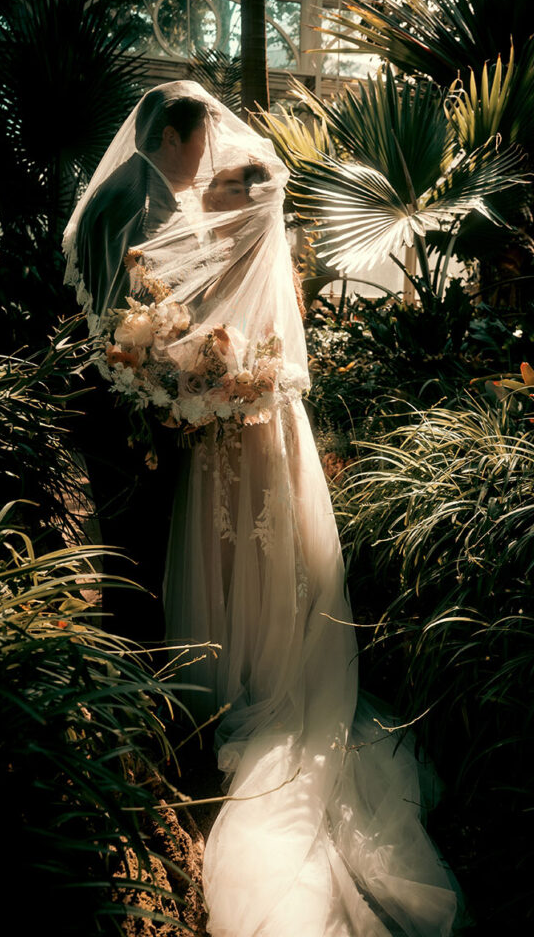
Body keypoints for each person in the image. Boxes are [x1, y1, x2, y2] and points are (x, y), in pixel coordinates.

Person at [70, 81, 460, 935]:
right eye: (196, 152)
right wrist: (179, 373)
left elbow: (177, 313)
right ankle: (250, 669)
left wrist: (179, 376)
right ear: (181, 136)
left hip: (234, 409)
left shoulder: (211, 207)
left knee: (238, 548)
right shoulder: (179, 206)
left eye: (210, 166)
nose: (200, 171)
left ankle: (234, 676)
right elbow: (180, 314)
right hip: (245, 406)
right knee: (257, 549)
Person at [62, 84, 209, 641]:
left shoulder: (114, 189)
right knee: (140, 554)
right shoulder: (147, 203)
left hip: (104, 400)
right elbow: (149, 311)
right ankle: (140, 690)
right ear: (171, 136)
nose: (204, 154)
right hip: (133, 410)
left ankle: (121, 677)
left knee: (122, 555)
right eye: (200, 140)